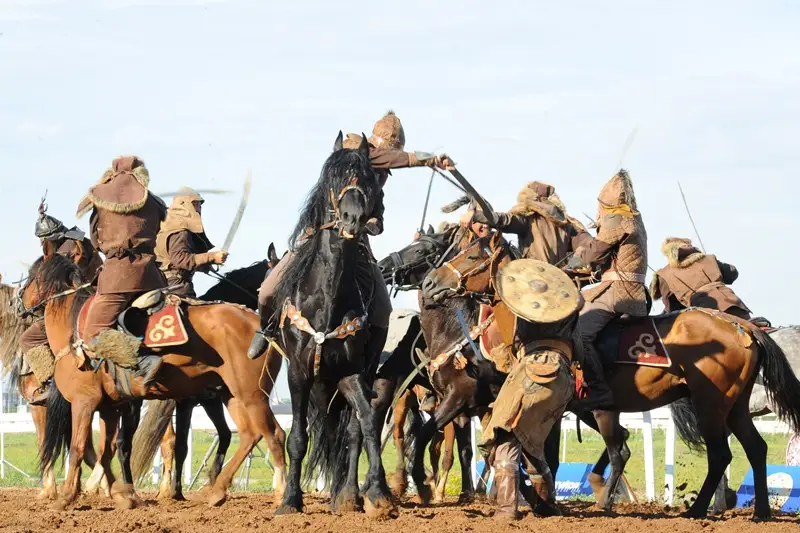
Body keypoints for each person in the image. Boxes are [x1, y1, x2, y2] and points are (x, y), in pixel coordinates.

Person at [247, 111, 453, 358]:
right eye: (385, 152)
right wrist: (426, 159)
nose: (384, 158)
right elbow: (378, 157)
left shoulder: (376, 181)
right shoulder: (349, 155)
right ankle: (266, 329)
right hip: (315, 239)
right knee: (267, 290)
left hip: (357, 248)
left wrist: (370, 223)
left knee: (383, 310)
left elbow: (378, 221)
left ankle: (369, 364)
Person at [480, 260, 582, 519]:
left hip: (535, 371)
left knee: (505, 436)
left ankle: (506, 509)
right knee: (531, 443)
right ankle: (546, 506)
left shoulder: (526, 313)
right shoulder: (571, 312)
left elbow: (513, 344)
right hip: (563, 379)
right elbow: (579, 349)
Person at [76, 155, 167, 385]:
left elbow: (95, 240)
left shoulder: (101, 198)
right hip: (152, 277)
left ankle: (142, 361)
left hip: (118, 278)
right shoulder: (154, 202)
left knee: (93, 333)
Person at [569, 169, 648, 410]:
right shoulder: (633, 217)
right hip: (626, 287)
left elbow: (593, 254)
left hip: (619, 291)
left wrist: (571, 257)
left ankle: (599, 390)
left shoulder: (617, 219)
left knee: (578, 334)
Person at [19, 205, 103, 405]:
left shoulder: (65, 252)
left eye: (43, 240)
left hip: (77, 307)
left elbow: (60, 285)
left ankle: (51, 382)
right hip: (98, 300)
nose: (42, 244)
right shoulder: (78, 241)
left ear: (50, 237)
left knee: (28, 339)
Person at [470, 181, 588, 265]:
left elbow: (504, 220)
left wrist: (475, 215)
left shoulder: (529, 220)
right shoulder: (568, 224)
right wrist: (570, 266)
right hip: (557, 284)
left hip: (532, 281)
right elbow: (589, 248)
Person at [650, 237, 751, 319]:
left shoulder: (665, 274)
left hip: (702, 315)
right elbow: (732, 273)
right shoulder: (709, 258)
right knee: (753, 331)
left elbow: (670, 306)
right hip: (732, 304)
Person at [155, 187, 228, 298]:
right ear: (184, 204)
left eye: (199, 204)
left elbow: (176, 261)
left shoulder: (169, 224)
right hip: (175, 285)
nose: (199, 208)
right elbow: (180, 259)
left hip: (167, 281)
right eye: (195, 204)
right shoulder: (179, 229)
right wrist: (212, 257)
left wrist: (206, 264)